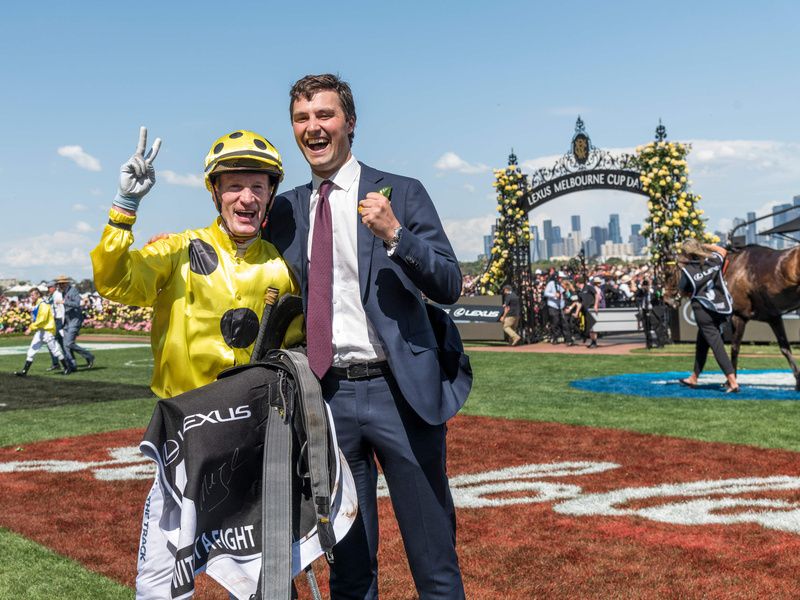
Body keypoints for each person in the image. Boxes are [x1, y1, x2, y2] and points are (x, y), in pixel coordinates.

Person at [266, 73, 468, 599]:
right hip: (326, 400)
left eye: (325, 115)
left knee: (434, 559)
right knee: (351, 570)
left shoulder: (400, 191)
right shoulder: (284, 210)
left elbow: (449, 283)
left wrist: (397, 235)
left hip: (400, 394)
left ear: (350, 123)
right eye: (302, 118)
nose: (313, 127)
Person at [90, 127, 303, 596]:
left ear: (270, 195)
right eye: (234, 185)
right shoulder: (177, 250)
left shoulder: (284, 269)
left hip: (255, 441)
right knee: (159, 580)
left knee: (264, 579)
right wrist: (124, 207)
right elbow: (115, 281)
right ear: (215, 193)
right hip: (183, 440)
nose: (246, 197)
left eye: (258, 186)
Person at [676, 238, 740, 393]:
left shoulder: (687, 271)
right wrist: (703, 245)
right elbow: (723, 251)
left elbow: (683, 291)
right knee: (702, 342)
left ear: (687, 254)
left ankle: (732, 381)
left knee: (716, 345)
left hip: (703, 310)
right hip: (720, 307)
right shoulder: (713, 260)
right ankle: (694, 377)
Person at [13, 287, 71, 376]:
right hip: (40, 331)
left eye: (33, 295)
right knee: (31, 350)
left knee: (55, 351)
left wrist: (30, 328)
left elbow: (42, 320)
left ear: (38, 295)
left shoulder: (43, 304)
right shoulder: (38, 304)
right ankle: (24, 371)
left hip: (47, 331)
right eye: (30, 295)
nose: (31, 297)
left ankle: (67, 368)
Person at [55, 275, 94, 373]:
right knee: (65, 346)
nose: (60, 285)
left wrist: (64, 302)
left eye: (62, 283)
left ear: (66, 283)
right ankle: (72, 366)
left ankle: (89, 356)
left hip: (75, 320)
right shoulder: (63, 292)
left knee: (68, 343)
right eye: (59, 283)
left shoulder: (73, 291)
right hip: (67, 321)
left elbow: (77, 303)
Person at [544, 271, 573, 345]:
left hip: (561, 306)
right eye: (560, 278)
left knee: (565, 322)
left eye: (562, 278)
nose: (561, 279)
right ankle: (555, 338)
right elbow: (545, 293)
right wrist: (554, 294)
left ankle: (568, 339)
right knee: (555, 322)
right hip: (553, 305)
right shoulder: (551, 284)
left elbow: (564, 295)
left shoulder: (561, 284)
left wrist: (564, 305)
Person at [45, 281, 67, 371]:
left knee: (52, 341)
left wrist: (62, 322)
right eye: (48, 287)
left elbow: (62, 309)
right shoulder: (50, 296)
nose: (48, 289)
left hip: (58, 320)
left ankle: (57, 363)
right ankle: (63, 361)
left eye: (50, 287)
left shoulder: (58, 295)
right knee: (60, 342)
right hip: (53, 321)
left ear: (54, 287)